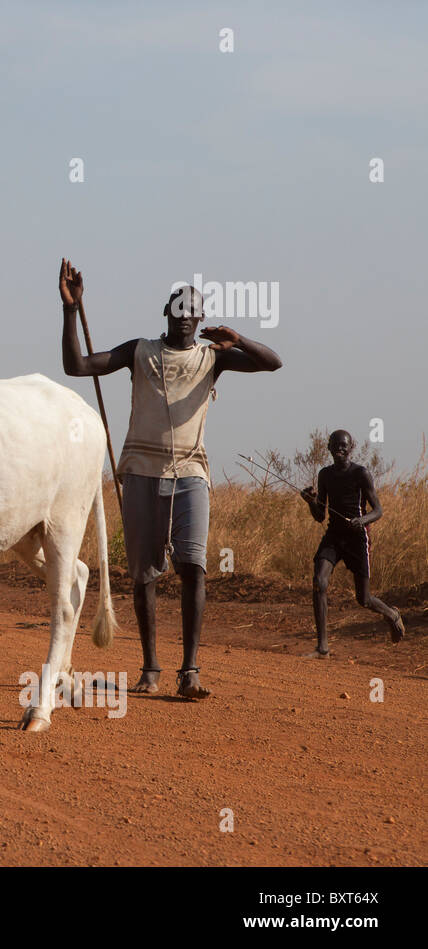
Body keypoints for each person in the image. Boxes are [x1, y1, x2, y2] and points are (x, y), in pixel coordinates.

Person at [58, 260, 282, 698]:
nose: (183, 317)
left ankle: (190, 671)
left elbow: (273, 363)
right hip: (142, 471)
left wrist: (238, 340)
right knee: (144, 574)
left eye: (191, 312)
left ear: (200, 320)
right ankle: (150, 669)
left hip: (191, 475)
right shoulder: (139, 351)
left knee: (193, 568)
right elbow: (78, 366)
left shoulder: (213, 358)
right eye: (177, 310)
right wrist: (71, 310)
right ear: (166, 312)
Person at [301, 429, 405, 657]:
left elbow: (378, 510)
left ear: (351, 448)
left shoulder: (361, 473)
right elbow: (320, 515)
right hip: (334, 536)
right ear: (328, 448)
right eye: (335, 445)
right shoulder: (325, 475)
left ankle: (391, 614)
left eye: (343, 446)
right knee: (319, 581)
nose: (339, 449)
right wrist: (310, 502)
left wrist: (362, 520)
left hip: (358, 538)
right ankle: (323, 647)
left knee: (364, 599)